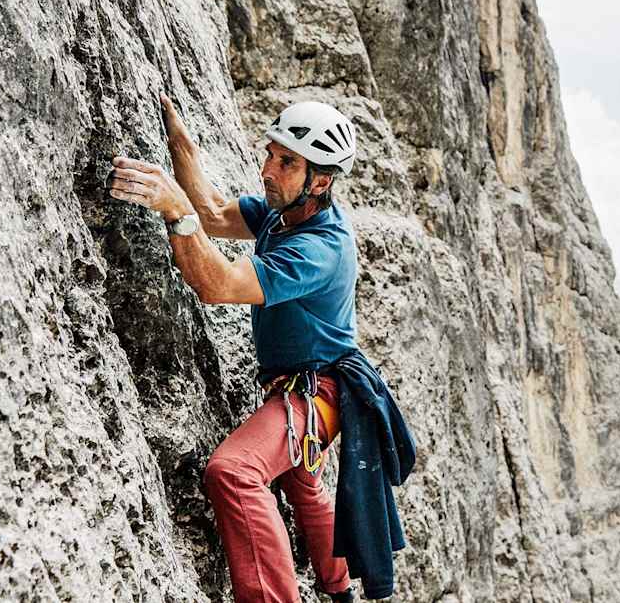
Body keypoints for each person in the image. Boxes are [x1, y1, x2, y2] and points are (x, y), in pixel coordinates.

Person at [109, 95, 412, 602]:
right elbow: (213, 213)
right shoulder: (283, 215)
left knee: (235, 472)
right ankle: (341, 594)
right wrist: (182, 148)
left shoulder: (318, 247)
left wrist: (173, 208)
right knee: (301, 480)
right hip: (307, 383)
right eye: (271, 153)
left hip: (320, 390)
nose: (268, 169)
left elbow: (219, 283)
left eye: (286, 162)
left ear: (320, 181)